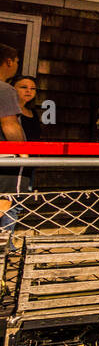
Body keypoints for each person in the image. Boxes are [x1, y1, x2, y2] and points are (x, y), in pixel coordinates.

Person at [0, 45, 25, 228]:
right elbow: (9, 124)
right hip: (4, 155)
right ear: (8, 61)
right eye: (17, 61)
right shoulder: (5, 90)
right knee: (5, 200)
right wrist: (24, 152)